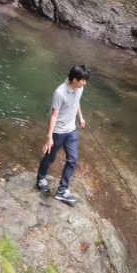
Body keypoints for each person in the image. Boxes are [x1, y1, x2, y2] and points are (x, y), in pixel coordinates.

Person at [36, 64, 90, 206]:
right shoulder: (59, 93)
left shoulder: (80, 88)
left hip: (71, 130)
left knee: (72, 160)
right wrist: (49, 137)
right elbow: (54, 115)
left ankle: (62, 190)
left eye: (85, 80)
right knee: (50, 157)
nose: (84, 83)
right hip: (58, 131)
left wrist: (81, 117)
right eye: (82, 80)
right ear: (74, 79)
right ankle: (41, 178)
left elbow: (77, 102)